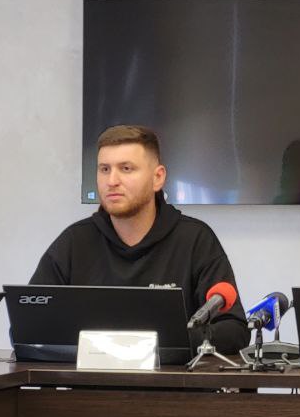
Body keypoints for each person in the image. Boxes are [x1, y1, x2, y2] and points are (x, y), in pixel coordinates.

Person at [30, 125, 248, 353]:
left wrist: (165, 341)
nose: (112, 180)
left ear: (157, 178)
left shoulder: (195, 239)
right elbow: (29, 326)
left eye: (126, 168)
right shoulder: (74, 242)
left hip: (173, 376)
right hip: (91, 376)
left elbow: (234, 331)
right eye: (104, 169)